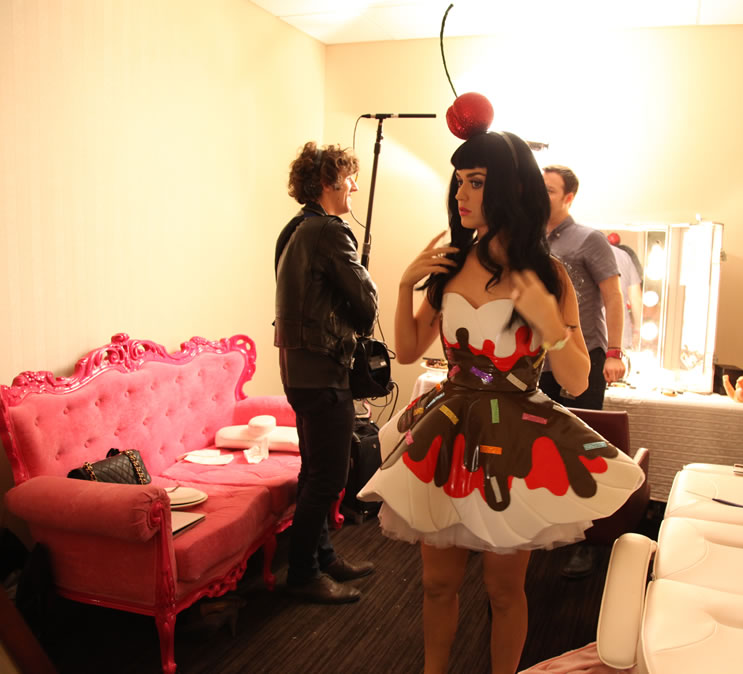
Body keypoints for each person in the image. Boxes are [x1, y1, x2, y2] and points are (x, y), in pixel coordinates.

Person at [358, 131, 644, 674]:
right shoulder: (448, 266)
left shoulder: (548, 274)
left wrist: (550, 323)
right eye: (459, 182)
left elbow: (576, 379)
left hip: (513, 436)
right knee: (437, 582)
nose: (461, 194)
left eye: (476, 182)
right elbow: (409, 349)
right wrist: (402, 286)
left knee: (504, 589)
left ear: (511, 188)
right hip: (448, 429)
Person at [274, 141, 379, 604]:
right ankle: (302, 574)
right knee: (329, 478)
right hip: (323, 374)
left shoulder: (294, 229)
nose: (354, 185)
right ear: (326, 182)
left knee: (312, 471)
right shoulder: (331, 232)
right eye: (348, 177)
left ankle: (323, 557)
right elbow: (366, 305)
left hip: (298, 371)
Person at [539, 165, 627, 579]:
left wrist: (614, 353)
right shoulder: (529, 239)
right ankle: (549, 528)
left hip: (585, 356)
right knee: (543, 445)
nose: (540, 195)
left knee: (582, 448)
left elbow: (613, 296)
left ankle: (588, 542)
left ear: (569, 197)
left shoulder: (589, 239)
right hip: (541, 360)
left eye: (549, 190)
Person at [607, 234, 643, 352]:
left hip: (588, 335)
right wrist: (637, 330)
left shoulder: (582, 252)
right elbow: (635, 298)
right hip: (620, 335)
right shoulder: (624, 256)